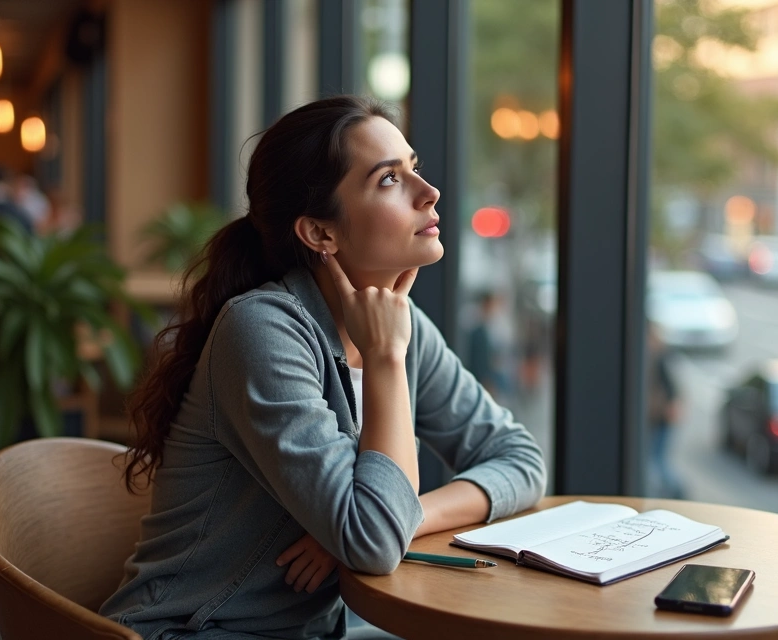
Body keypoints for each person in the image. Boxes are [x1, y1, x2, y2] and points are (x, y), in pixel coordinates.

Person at [101, 96, 547, 640]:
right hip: (192, 630)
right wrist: (384, 360)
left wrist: (399, 518)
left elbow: (521, 460)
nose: (428, 192)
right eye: (389, 179)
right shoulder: (263, 330)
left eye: (414, 167)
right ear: (320, 233)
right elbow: (375, 543)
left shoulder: (402, 327)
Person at [646, 324, 685, 499]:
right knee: (658, 460)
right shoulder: (660, 355)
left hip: (661, 418)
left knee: (658, 461)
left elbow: (672, 389)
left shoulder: (661, 358)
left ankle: (679, 494)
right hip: (658, 417)